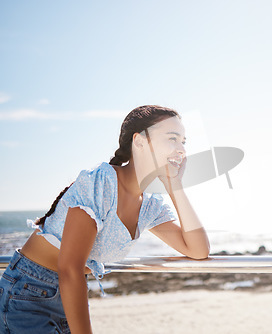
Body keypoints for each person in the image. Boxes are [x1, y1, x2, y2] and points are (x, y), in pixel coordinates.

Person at [0, 105, 210, 333]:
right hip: (28, 292)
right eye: (172, 139)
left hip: (68, 296)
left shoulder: (149, 205)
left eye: (184, 142)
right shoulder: (100, 182)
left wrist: (175, 186)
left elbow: (198, 250)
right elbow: (69, 268)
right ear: (139, 142)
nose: (181, 150)